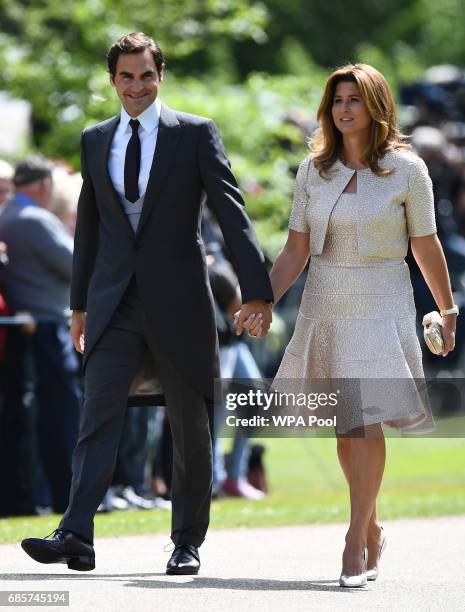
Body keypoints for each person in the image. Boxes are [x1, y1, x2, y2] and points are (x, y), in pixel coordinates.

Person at [21, 32, 273, 574]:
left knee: (190, 425)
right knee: (98, 413)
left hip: (181, 302)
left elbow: (231, 212)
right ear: (112, 80)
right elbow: (89, 225)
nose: (137, 86)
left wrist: (257, 291)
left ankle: (186, 541)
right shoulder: (94, 139)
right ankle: (76, 533)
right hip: (114, 303)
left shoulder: (196, 134)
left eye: (146, 76)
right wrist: (79, 304)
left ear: (161, 77)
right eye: (126, 77)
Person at [257, 64, 457, 588]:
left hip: (383, 301)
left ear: (376, 106)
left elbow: (425, 243)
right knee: (348, 428)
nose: (345, 108)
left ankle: (353, 538)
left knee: (365, 418)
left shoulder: (408, 170)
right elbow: (295, 248)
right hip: (326, 302)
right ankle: (371, 527)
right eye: (337, 100)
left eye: (355, 99)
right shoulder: (311, 171)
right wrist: (262, 300)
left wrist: (448, 309)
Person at [0, 156, 81, 513]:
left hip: (28, 329)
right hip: (48, 328)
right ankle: (66, 495)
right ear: (45, 186)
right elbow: (78, 263)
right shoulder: (34, 219)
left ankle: (42, 494)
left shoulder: (7, 217)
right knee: (62, 415)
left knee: (33, 417)